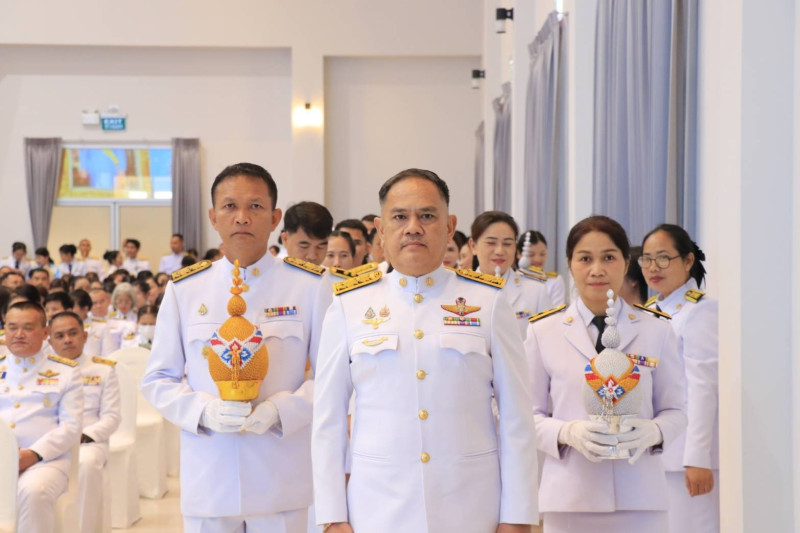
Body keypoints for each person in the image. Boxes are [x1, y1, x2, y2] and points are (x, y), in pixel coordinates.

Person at [313, 168, 538, 533]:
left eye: (427, 216)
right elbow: (328, 419)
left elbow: (517, 417)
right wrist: (331, 515)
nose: (413, 227)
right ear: (380, 229)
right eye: (400, 217)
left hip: (470, 507)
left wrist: (517, 515)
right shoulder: (348, 305)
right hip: (378, 508)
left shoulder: (489, 301)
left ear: (450, 226)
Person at [141, 162, 332, 533]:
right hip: (211, 472)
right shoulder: (185, 289)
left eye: (255, 206)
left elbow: (332, 377)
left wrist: (283, 410)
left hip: (280, 474)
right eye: (230, 206)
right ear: (213, 217)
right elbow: (158, 379)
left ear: (275, 217)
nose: (242, 217)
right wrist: (204, 411)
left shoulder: (309, 286)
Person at [525, 215, 687, 533]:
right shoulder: (543, 331)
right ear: (570, 264)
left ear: (626, 263)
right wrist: (566, 432)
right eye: (585, 258)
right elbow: (526, 414)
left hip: (641, 497)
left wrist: (654, 431)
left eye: (609, 258)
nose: (597, 270)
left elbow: (677, 410)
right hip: (570, 497)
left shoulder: (656, 330)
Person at [641, 224, 719, 533]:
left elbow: (702, 387)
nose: (653, 267)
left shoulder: (700, 311)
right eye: (647, 259)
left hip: (684, 458)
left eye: (663, 258)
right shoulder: (647, 312)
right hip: (652, 451)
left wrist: (697, 457)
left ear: (687, 261)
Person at [0, 301, 83, 533]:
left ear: (45, 333)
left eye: (27, 328)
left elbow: (71, 426)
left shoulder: (66, 372)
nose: (19, 334)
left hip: (46, 461)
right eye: (12, 327)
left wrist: (33, 454)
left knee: (33, 491)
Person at [48, 311, 121, 533]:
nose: (67, 340)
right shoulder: (44, 372)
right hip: (50, 442)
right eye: (59, 336)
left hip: (88, 442)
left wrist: (82, 437)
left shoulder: (103, 370)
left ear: (85, 336)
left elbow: (112, 417)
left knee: (86, 464)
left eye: (73, 333)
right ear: (49, 341)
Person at [470, 212, 552, 339]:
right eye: (491, 243)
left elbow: (547, 341)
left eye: (507, 244)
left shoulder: (536, 292)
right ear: (473, 246)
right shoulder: (458, 291)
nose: (500, 251)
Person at [517, 231, 566, 306]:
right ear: (518, 254)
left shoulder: (554, 281)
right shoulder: (511, 278)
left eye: (542, 254)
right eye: (531, 254)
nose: (538, 259)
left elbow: (556, 311)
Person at [281, 202, 334, 266]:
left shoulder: (331, 272)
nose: (312, 256)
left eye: (320, 247)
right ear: (285, 239)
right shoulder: (271, 271)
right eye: (304, 246)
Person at [71, 289, 112, 357]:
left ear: (85, 309)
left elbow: (109, 355)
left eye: (72, 307)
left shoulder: (101, 327)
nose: (69, 310)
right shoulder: (62, 327)